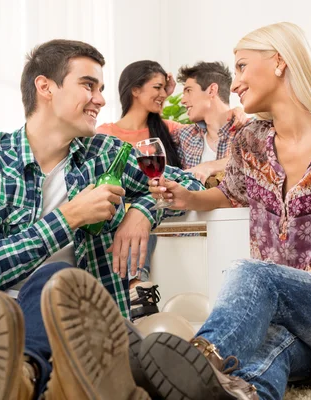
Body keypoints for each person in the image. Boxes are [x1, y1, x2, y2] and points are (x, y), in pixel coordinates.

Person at [0, 39, 203, 400]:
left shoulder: (105, 154)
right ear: (46, 87)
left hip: (61, 320)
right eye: (88, 85)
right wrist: (69, 216)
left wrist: (143, 211)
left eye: (101, 88)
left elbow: (183, 183)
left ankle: (26, 377)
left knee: (59, 282)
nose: (100, 99)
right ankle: (40, 382)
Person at [142, 22, 311, 399]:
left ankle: (198, 360)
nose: (234, 83)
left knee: (254, 276)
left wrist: (280, 292)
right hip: (303, 322)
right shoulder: (249, 141)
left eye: (241, 66)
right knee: (267, 347)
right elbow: (231, 192)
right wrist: (187, 198)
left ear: (279, 62)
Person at [97, 60, 246, 321]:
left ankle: (135, 287)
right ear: (135, 90)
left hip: (181, 214)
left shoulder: (170, 131)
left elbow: (237, 144)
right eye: (157, 87)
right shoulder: (105, 136)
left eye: (184, 91)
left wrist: (237, 112)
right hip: (124, 210)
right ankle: (131, 290)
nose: (167, 95)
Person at [174, 61, 242, 185]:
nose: (183, 100)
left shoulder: (249, 131)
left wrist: (209, 167)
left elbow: (252, 160)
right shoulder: (184, 135)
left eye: (188, 91)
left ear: (211, 90)